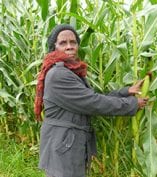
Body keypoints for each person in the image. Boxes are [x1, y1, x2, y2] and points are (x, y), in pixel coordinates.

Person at [34, 24, 148, 177]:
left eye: (73, 42)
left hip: (66, 143)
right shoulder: (59, 75)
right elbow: (93, 103)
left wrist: (125, 92)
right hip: (64, 145)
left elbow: (90, 97)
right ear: (53, 47)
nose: (69, 46)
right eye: (63, 43)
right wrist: (132, 104)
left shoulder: (69, 71)